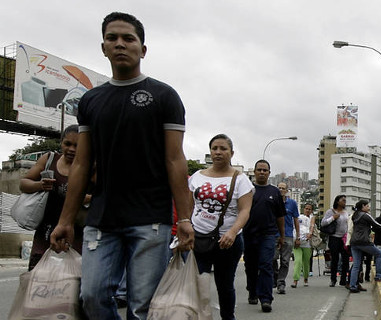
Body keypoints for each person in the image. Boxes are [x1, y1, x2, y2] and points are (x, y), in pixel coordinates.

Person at [49, 12, 193, 320]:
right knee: (92, 296)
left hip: (151, 218)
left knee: (142, 306)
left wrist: (185, 219)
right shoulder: (91, 101)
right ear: (103, 47)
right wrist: (65, 220)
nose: (120, 44)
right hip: (102, 218)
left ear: (143, 49)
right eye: (112, 38)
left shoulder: (164, 96)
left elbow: (175, 159)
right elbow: (82, 164)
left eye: (128, 38)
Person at [189, 134, 252, 320]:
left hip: (227, 242)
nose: (218, 152)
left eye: (223, 149)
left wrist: (232, 232)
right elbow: (188, 206)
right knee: (198, 284)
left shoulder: (241, 179)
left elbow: (244, 210)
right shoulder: (196, 177)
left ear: (231, 153)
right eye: (214, 148)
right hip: (199, 239)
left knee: (224, 285)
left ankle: (228, 317)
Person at [20, 125, 86, 270]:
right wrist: (39, 185)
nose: (72, 149)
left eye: (77, 145)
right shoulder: (49, 160)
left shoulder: (89, 167)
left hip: (75, 232)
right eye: (67, 144)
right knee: (37, 276)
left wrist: (85, 198)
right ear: (61, 142)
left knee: (70, 279)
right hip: (46, 231)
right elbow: (24, 183)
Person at [243, 160, 285, 313]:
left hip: (268, 235)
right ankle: (252, 292)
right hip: (248, 235)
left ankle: (266, 299)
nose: (262, 172)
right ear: (254, 172)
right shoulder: (247, 190)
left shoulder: (274, 192)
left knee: (266, 265)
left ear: (269, 173)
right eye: (259, 170)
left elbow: (280, 216)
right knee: (251, 266)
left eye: (265, 170)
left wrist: (282, 236)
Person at [348, 199, 381, 292]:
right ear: (363, 207)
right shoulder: (365, 215)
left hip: (354, 242)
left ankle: (352, 286)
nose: (368, 207)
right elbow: (376, 224)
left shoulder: (355, 215)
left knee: (356, 265)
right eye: (367, 206)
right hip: (363, 241)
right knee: (379, 254)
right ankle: (379, 275)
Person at [273, 182, 299, 294]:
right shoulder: (272, 201)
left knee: (285, 261)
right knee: (272, 258)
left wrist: (298, 236)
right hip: (274, 234)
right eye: (279, 188)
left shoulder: (292, 203)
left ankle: (281, 283)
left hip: (288, 235)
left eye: (283, 188)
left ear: (287, 190)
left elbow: (296, 220)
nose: (281, 190)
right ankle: (275, 277)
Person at [322, 194, 350, 287]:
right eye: (343, 200)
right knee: (335, 259)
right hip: (334, 238)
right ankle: (333, 279)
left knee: (345, 259)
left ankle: (343, 279)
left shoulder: (346, 212)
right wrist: (333, 218)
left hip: (344, 238)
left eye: (345, 201)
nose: (344, 202)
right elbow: (323, 223)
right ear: (337, 201)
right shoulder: (331, 211)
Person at [292, 203, 315, 288]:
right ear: (303, 209)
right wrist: (297, 238)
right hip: (297, 242)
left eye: (309, 209)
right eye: (306, 208)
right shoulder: (298, 217)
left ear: (311, 210)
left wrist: (310, 233)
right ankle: (295, 280)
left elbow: (312, 226)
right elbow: (295, 227)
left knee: (306, 263)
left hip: (307, 244)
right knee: (298, 261)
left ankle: (306, 278)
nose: (307, 210)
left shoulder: (312, 218)